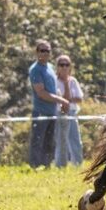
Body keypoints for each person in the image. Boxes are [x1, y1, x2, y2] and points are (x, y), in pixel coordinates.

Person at [27, 40, 68, 168]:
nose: (45, 53)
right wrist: (61, 100)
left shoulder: (50, 67)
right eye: (42, 50)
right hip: (40, 112)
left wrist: (60, 99)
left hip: (52, 111)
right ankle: (34, 167)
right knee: (38, 141)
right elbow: (41, 93)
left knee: (50, 142)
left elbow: (53, 89)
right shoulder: (35, 69)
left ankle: (47, 166)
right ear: (37, 52)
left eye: (47, 51)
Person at [53, 54, 84, 168]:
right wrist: (66, 84)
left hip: (72, 113)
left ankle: (78, 164)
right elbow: (64, 100)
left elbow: (79, 99)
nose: (64, 67)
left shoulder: (73, 81)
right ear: (57, 67)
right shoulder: (54, 81)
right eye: (62, 65)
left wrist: (68, 99)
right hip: (60, 114)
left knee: (76, 140)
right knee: (62, 141)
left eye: (67, 65)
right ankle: (61, 165)